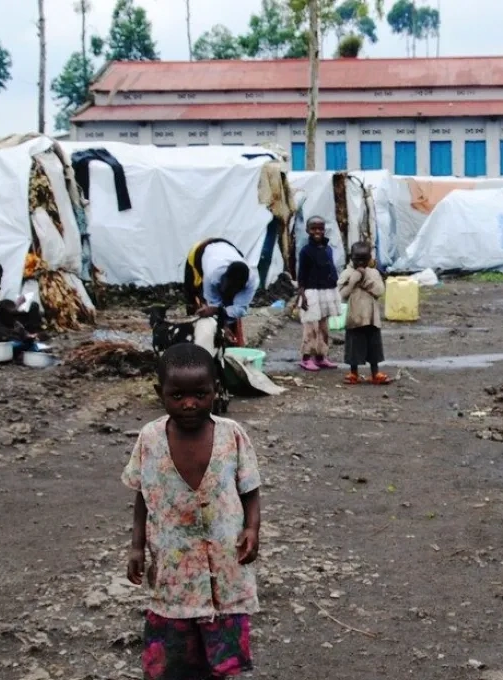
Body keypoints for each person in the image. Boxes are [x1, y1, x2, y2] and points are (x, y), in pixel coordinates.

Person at [124, 343, 262, 680]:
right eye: (177, 395)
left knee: (220, 655)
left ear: (215, 390)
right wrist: (137, 545)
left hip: (224, 561)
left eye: (200, 394)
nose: (189, 403)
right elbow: (143, 494)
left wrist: (252, 528)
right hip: (173, 565)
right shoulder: (150, 439)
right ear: (161, 393)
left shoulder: (232, 436)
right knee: (173, 652)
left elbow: (250, 488)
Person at [183, 239, 257, 345]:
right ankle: (195, 343)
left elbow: (240, 309)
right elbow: (211, 304)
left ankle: (229, 342)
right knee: (195, 304)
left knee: (228, 310)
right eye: (227, 288)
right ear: (223, 278)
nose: (228, 292)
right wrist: (218, 317)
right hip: (199, 253)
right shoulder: (212, 274)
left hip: (229, 248)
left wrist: (223, 320)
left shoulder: (251, 282)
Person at [338, 241, 389, 386]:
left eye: (364, 259)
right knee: (354, 347)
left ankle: (375, 373)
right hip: (354, 317)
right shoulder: (346, 273)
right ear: (351, 257)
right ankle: (353, 373)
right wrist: (352, 282)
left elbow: (380, 291)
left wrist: (365, 280)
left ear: (370, 258)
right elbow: (341, 294)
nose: (360, 263)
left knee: (374, 346)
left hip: (372, 318)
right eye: (357, 259)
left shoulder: (373, 273)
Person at [295, 217, 342, 372]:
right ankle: (306, 358)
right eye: (314, 229)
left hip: (327, 290)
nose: (317, 232)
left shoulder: (328, 249)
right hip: (311, 291)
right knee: (311, 327)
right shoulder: (305, 251)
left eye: (320, 228)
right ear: (308, 230)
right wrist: (302, 295)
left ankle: (321, 357)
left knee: (323, 327)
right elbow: (301, 275)